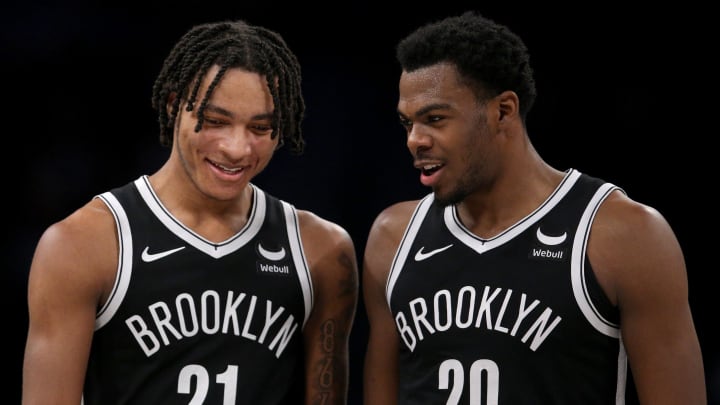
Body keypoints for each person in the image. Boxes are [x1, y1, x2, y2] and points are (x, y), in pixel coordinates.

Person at [362, 11, 706, 404]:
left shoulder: (622, 234)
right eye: (407, 123)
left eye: (435, 119)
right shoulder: (393, 238)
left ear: (503, 111)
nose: (414, 140)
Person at [22, 19, 358, 405]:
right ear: (172, 104)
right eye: (216, 121)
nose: (237, 148)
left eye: (260, 127)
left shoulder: (322, 251)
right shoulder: (82, 244)